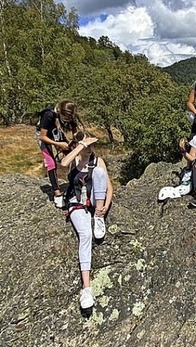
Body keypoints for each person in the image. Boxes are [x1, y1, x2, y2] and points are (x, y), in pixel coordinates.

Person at [60, 132, 113, 309]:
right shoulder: (74, 161)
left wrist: (104, 206)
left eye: (92, 146)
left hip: (94, 201)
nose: (91, 149)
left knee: (98, 172)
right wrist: (81, 146)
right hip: (76, 202)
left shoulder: (98, 161)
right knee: (86, 235)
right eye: (88, 146)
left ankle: (98, 217)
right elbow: (63, 163)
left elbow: (108, 186)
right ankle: (87, 288)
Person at [36, 100, 79, 208]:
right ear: (61, 112)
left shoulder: (71, 115)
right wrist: (58, 144)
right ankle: (57, 194)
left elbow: (75, 131)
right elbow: (42, 136)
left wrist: (76, 141)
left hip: (56, 133)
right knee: (51, 163)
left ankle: (76, 184)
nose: (69, 120)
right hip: (45, 136)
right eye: (67, 117)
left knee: (74, 155)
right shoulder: (48, 115)